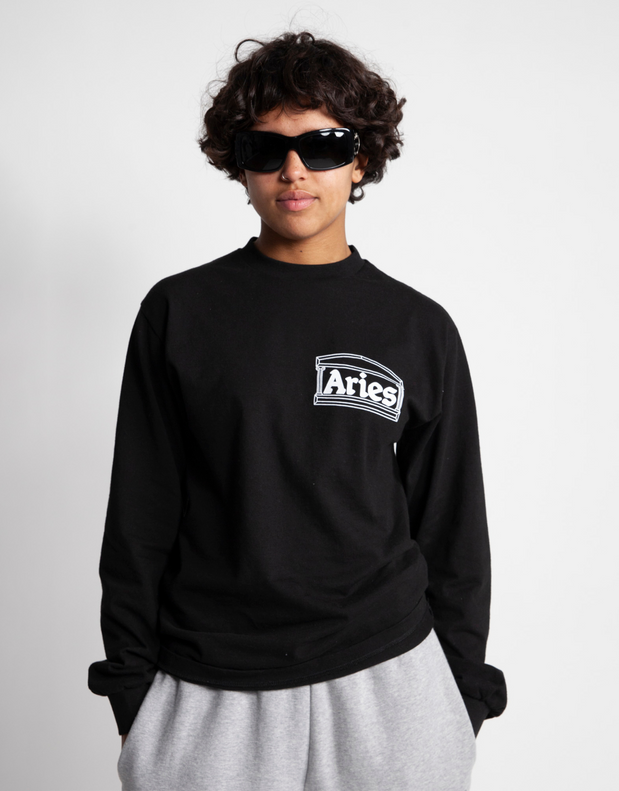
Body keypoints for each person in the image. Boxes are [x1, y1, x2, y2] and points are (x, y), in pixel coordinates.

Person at [88, 29, 507, 791]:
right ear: (238, 162)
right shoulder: (180, 311)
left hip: (391, 674)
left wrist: (461, 696)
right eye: (265, 148)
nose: (293, 169)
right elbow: (140, 513)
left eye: (322, 145)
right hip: (211, 677)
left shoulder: (415, 327)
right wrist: (130, 690)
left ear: (361, 159)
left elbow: (452, 525)